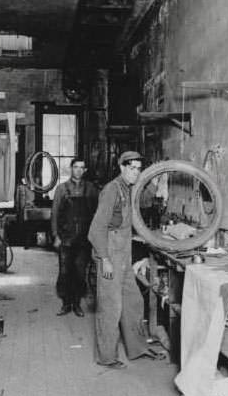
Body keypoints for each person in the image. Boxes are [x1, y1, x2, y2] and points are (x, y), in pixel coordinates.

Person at [87, 150, 165, 368]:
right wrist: (105, 259)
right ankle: (107, 357)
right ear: (121, 167)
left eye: (138, 169)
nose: (135, 173)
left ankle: (138, 349)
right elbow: (95, 230)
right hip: (110, 252)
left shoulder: (130, 189)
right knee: (111, 308)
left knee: (133, 302)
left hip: (124, 254)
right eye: (131, 168)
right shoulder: (111, 190)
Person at [51, 158, 98, 317]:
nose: (78, 170)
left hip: (84, 240)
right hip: (65, 238)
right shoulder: (62, 189)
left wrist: (95, 237)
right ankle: (66, 304)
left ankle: (77, 304)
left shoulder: (91, 189)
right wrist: (55, 235)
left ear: (85, 170)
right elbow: (55, 214)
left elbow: (96, 215)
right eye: (76, 167)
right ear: (71, 169)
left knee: (79, 272)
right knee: (65, 272)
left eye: (82, 167)